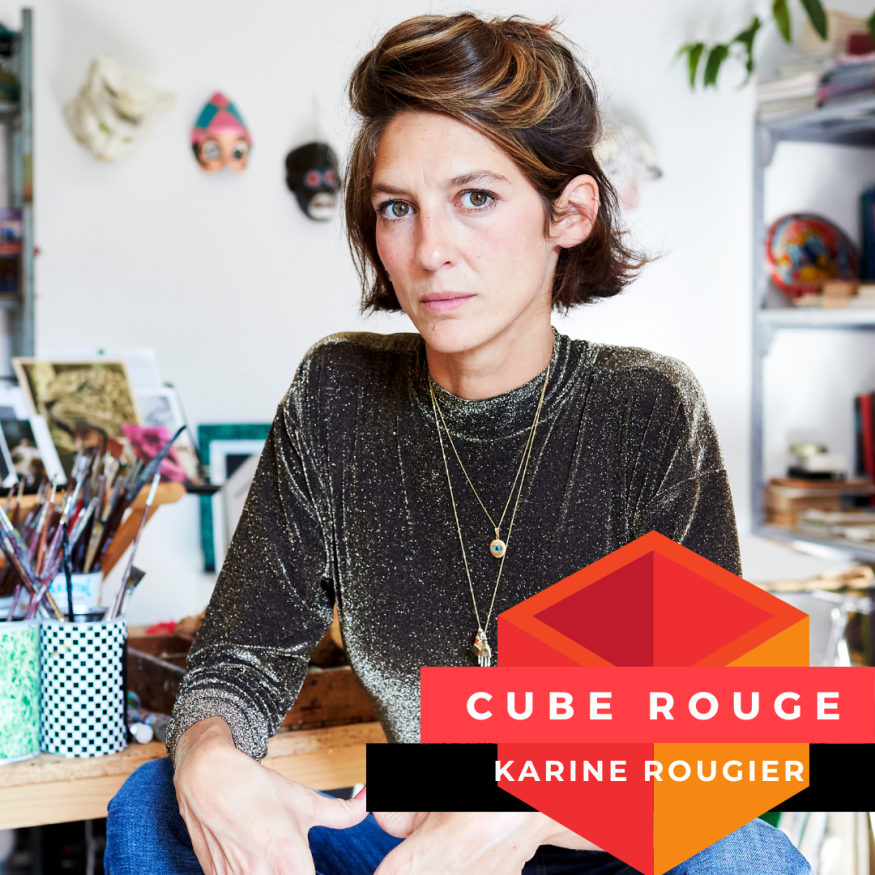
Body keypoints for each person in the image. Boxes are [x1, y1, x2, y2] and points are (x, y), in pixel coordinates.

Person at [105, 12, 812, 875]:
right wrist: (207, 753)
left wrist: (520, 811)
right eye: (397, 208)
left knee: (741, 852)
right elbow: (240, 657)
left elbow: (727, 735)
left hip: (593, 839)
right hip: (409, 831)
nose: (430, 249)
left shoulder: (645, 407)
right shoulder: (337, 393)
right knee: (155, 799)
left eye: (475, 198)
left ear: (568, 213)